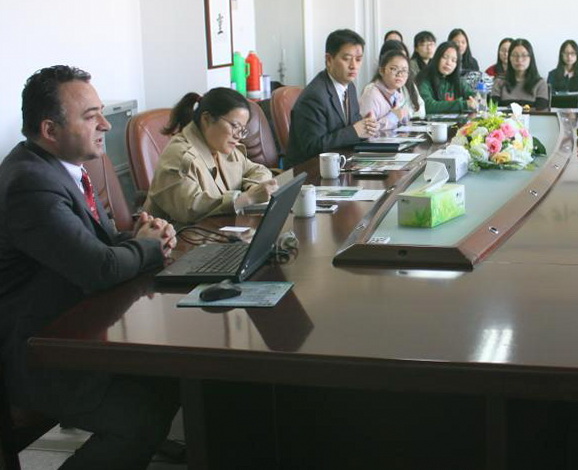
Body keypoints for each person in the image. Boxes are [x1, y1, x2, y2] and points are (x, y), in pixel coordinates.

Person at [0, 65, 180, 469]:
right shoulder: (30, 183)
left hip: (78, 329)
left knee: (177, 378)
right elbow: (97, 268)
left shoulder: (58, 167)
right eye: (90, 116)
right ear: (50, 130)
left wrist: (142, 236)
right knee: (140, 418)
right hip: (39, 353)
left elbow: (94, 244)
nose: (106, 125)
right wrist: (148, 248)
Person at [145, 88, 278, 224]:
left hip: (218, 230)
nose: (238, 136)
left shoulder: (221, 145)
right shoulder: (180, 156)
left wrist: (253, 188)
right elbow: (190, 209)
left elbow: (258, 171)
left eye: (242, 129)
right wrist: (247, 198)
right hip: (179, 235)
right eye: (234, 126)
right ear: (206, 119)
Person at [287, 29, 380, 166]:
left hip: (342, 163)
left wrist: (366, 125)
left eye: (358, 59)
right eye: (346, 59)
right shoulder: (315, 96)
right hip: (311, 170)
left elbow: (350, 128)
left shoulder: (350, 87)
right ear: (329, 60)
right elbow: (312, 147)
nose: (354, 66)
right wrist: (355, 131)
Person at [361, 49, 417, 131]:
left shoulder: (397, 94)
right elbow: (367, 129)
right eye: (394, 69)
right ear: (381, 71)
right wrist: (393, 117)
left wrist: (402, 117)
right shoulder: (371, 94)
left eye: (404, 70)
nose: (399, 74)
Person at [416, 41, 478, 113]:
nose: (448, 63)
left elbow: (472, 94)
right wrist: (463, 104)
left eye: (453, 60)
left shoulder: (456, 80)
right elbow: (427, 106)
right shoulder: (424, 78)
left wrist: (476, 99)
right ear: (437, 58)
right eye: (445, 57)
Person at [491, 38, 550, 109]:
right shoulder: (499, 82)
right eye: (515, 55)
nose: (519, 60)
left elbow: (542, 112)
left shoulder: (540, 84)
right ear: (509, 58)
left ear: (530, 58)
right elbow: (493, 111)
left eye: (524, 55)